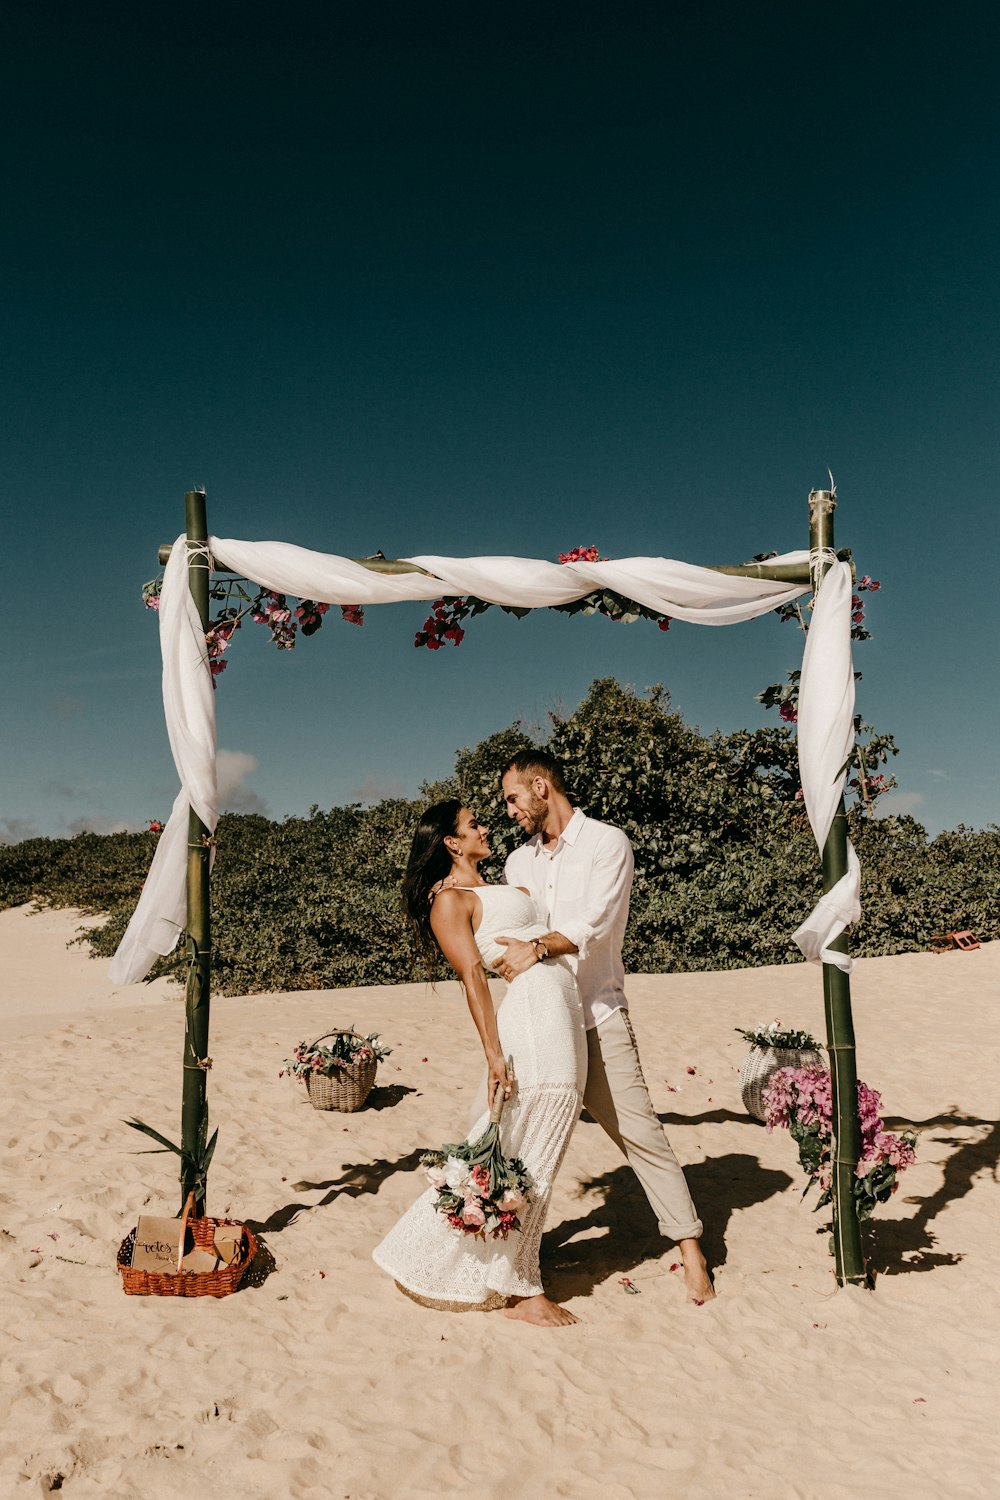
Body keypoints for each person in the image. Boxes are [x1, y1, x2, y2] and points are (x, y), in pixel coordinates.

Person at [497, 751, 715, 1303]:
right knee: (529, 1143)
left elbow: (592, 924)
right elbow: (510, 933)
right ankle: (519, 1254)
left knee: (640, 1132)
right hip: (541, 1024)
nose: (509, 811)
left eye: (512, 798)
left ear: (541, 787)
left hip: (597, 1013)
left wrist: (536, 948)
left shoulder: (607, 843)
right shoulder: (517, 865)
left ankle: (691, 1248)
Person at [372, 800, 588, 1327]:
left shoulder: (506, 883)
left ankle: (511, 1262)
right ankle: (520, 1289)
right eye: (473, 825)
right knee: (532, 1133)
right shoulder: (450, 900)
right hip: (532, 1019)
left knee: (544, 1136)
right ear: (451, 841)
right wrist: (493, 1054)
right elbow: (473, 977)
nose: (485, 828)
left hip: (563, 1009)